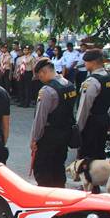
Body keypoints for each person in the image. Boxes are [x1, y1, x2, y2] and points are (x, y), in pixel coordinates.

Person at [30, 58, 77, 187]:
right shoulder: (69, 84)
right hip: (65, 134)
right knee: (58, 167)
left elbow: (40, 119)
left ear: (43, 73)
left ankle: (45, 201)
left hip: (49, 137)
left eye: (39, 77)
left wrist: (34, 139)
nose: (40, 80)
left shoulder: (47, 91)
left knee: (43, 171)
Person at [76, 49, 110, 159]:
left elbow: (84, 109)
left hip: (91, 124)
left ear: (93, 62)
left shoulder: (91, 82)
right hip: (104, 119)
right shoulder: (108, 76)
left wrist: (77, 130)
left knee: (86, 158)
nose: (85, 64)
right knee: (99, 154)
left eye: (86, 62)